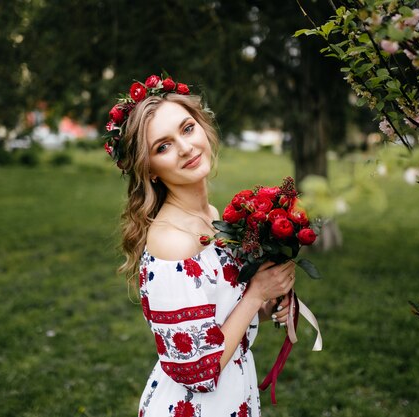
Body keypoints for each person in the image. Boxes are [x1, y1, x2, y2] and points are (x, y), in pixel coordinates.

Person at [106, 74, 296, 417]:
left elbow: (217, 320)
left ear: (203, 128)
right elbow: (197, 371)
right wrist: (256, 293)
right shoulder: (171, 244)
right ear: (149, 170)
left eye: (187, 129)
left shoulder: (210, 216)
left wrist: (270, 303)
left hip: (232, 396)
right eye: (162, 147)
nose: (185, 148)